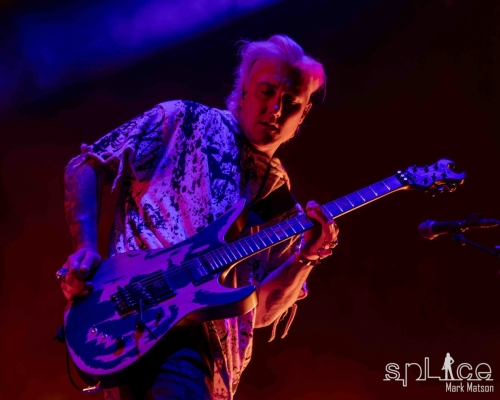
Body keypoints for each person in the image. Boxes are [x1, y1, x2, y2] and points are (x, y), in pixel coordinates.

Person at [60, 34, 339, 400]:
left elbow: (260, 312)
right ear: (243, 89)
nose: (275, 109)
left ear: (304, 113)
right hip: (141, 320)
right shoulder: (183, 121)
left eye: (291, 102)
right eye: (267, 91)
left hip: (207, 358)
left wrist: (307, 257)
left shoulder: (283, 206)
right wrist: (85, 247)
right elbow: (87, 165)